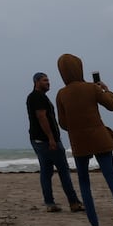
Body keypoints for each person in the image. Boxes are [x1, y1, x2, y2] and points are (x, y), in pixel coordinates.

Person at [55, 53, 113, 226]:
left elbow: (63, 123)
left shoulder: (61, 94)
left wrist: (78, 125)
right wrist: (106, 90)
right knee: (112, 182)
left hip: (79, 142)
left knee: (84, 185)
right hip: (100, 139)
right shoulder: (91, 88)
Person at [26, 70, 83, 214]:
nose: (48, 82)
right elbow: (42, 117)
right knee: (63, 171)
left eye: (48, 80)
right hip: (47, 141)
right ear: (37, 82)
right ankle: (74, 202)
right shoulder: (37, 97)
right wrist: (51, 138)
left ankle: (50, 203)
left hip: (38, 140)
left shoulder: (37, 97)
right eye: (45, 80)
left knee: (46, 172)